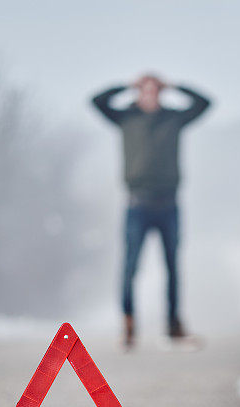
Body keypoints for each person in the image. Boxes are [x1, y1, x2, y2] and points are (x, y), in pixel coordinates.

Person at [90, 73, 211, 349]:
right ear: (138, 93)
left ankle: (173, 325)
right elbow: (96, 102)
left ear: (160, 93)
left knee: (172, 267)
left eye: (155, 91)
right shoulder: (126, 118)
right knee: (131, 267)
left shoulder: (173, 118)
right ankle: (129, 325)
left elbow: (204, 104)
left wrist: (175, 85)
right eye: (145, 91)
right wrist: (125, 84)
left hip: (169, 203)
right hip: (137, 204)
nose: (150, 96)